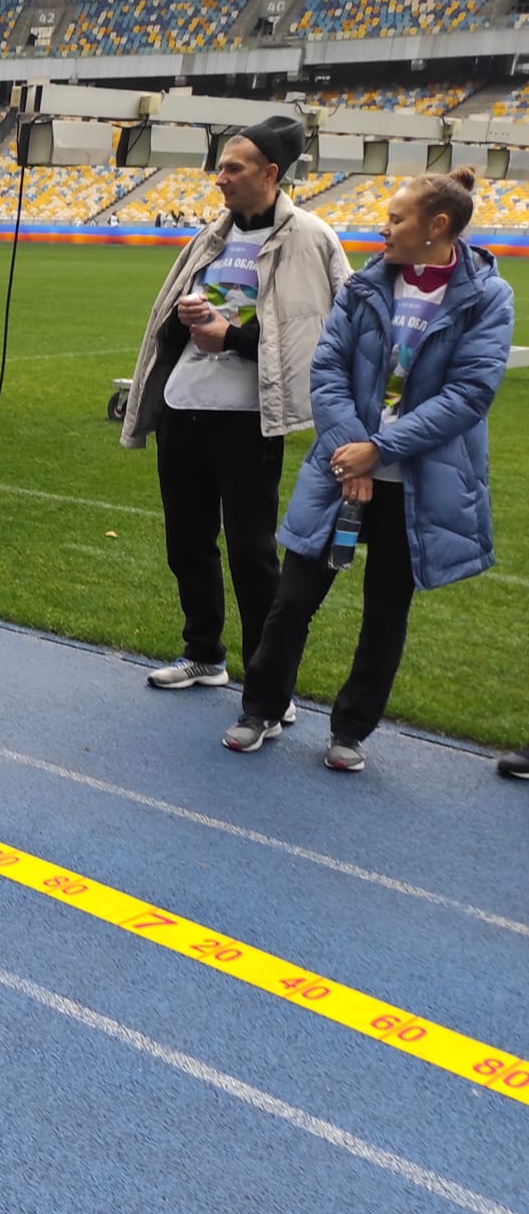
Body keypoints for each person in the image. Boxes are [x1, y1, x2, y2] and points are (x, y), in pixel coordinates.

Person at [222, 168, 512, 772]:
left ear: (437, 227)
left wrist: (378, 451)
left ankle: (351, 731)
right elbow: (326, 371)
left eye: (397, 219)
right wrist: (351, 453)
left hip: (416, 487)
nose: (385, 227)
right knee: (293, 600)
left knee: (386, 612)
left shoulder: (486, 297)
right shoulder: (366, 286)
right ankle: (260, 710)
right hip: (341, 473)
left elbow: (468, 394)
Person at [122, 116, 350, 695]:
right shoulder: (210, 236)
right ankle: (204, 653)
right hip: (186, 406)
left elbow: (332, 331)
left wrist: (234, 339)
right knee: (186, 542)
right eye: (219, 166)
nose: (219, 177)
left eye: (233, 167)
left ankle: (267, 681)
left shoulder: (312, 238)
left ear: (270, 173)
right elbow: (175, 322)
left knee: (252, 552)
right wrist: (187, 322)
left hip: (250, 419)